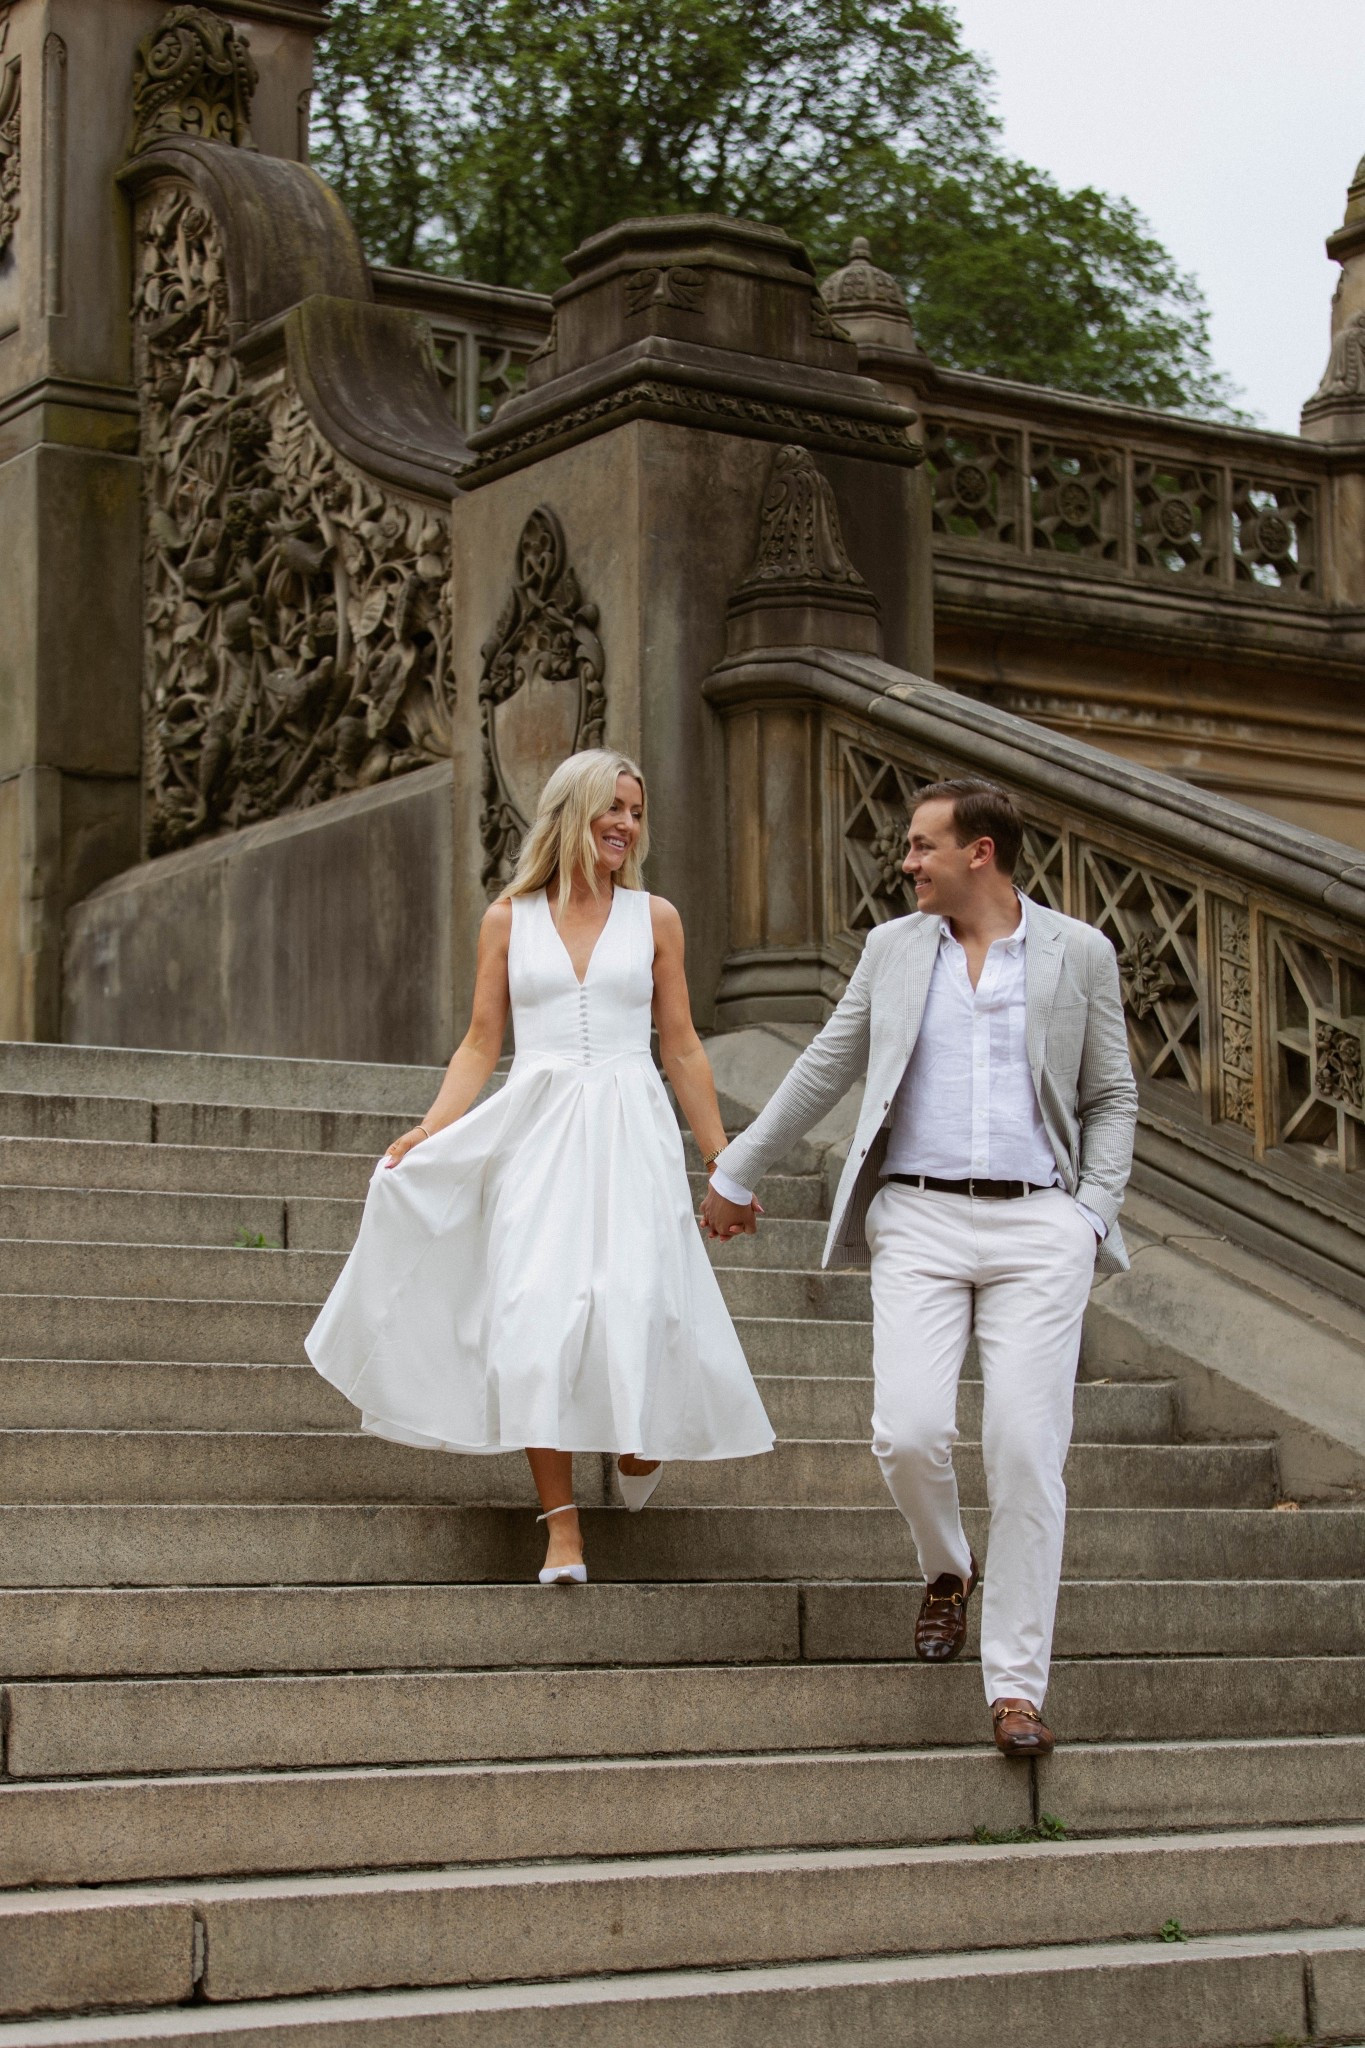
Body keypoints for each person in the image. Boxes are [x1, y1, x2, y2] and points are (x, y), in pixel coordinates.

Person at [702, 779, 1137, 1756]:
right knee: (907, 1433)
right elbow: (825, 1062)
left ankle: (1016, 1690)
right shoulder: (895, 952)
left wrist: (1091, 1217)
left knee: (1027, 1453)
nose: (907, 861)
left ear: (979, 853)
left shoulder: (1079, 952)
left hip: (1039, 1226)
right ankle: (948, 1565)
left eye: (922, 845)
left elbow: (1112, 1095)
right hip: (919, 1218)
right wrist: (737, 1167)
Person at [308, 749, 773, 1585]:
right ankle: (561, 1529)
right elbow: (481, 1042)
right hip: (538, 1128)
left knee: (639, 1302)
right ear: (572, 812)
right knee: (531, 1319)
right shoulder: (507, 919)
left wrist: (721, 1159)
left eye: (635, 811)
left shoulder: (654, 917)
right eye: (614, 808)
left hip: (630, 1125)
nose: (627, 824)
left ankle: (638, 1446)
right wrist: (428, 1130)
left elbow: (682, 1045)